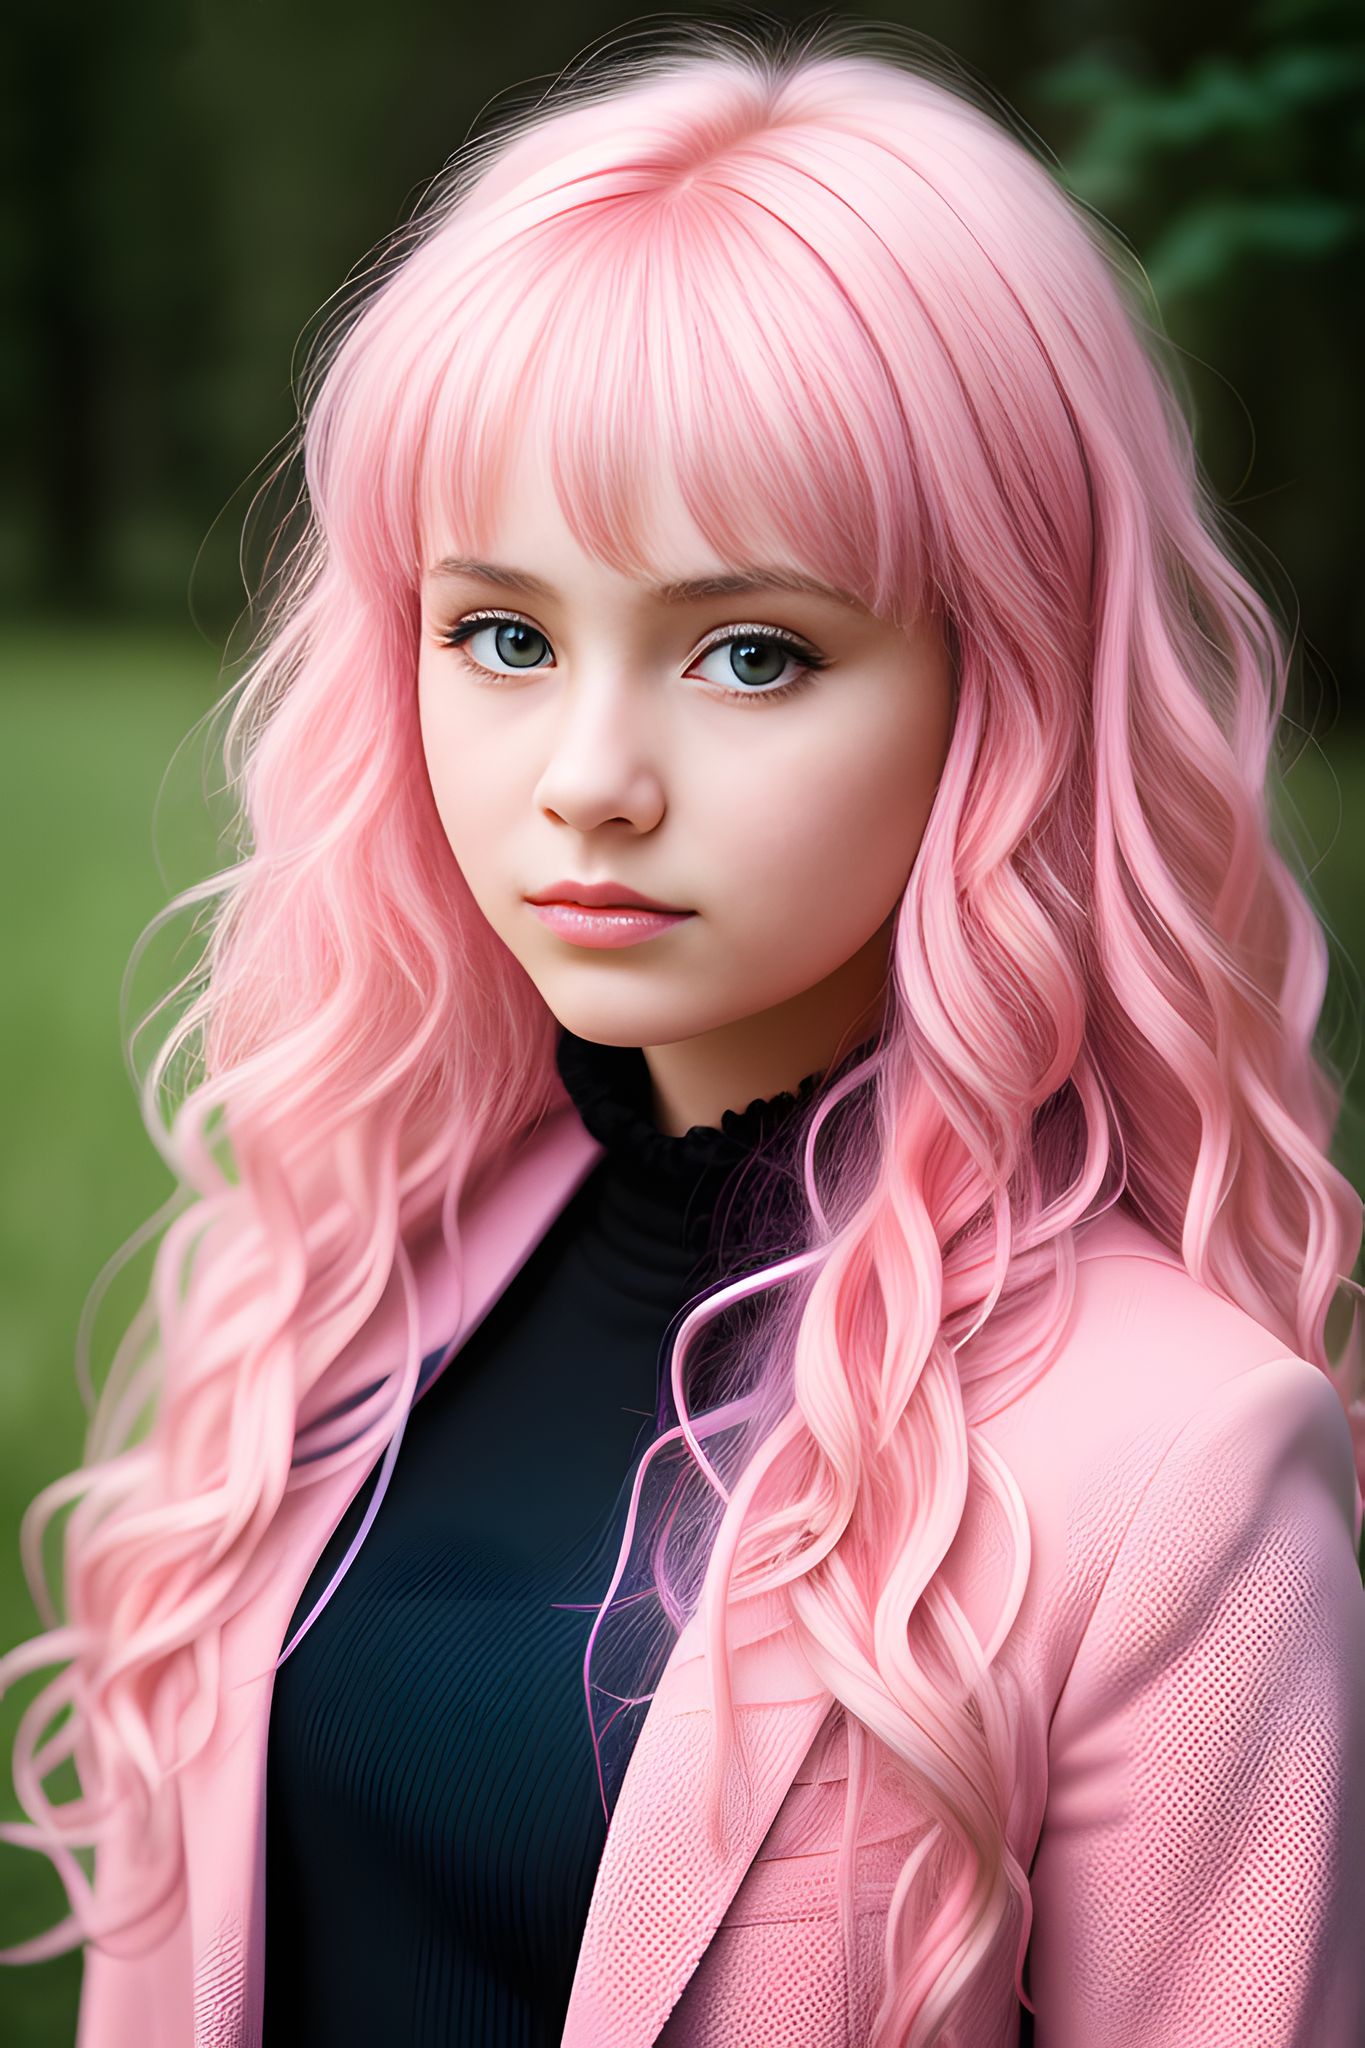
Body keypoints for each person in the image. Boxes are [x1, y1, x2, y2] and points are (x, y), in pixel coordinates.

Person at [3, 17, 1364, 2046]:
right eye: (503, 635)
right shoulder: (337, 1274)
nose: (586, 776)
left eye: (749, 651)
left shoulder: (1173, 1466)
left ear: (1000, 688)